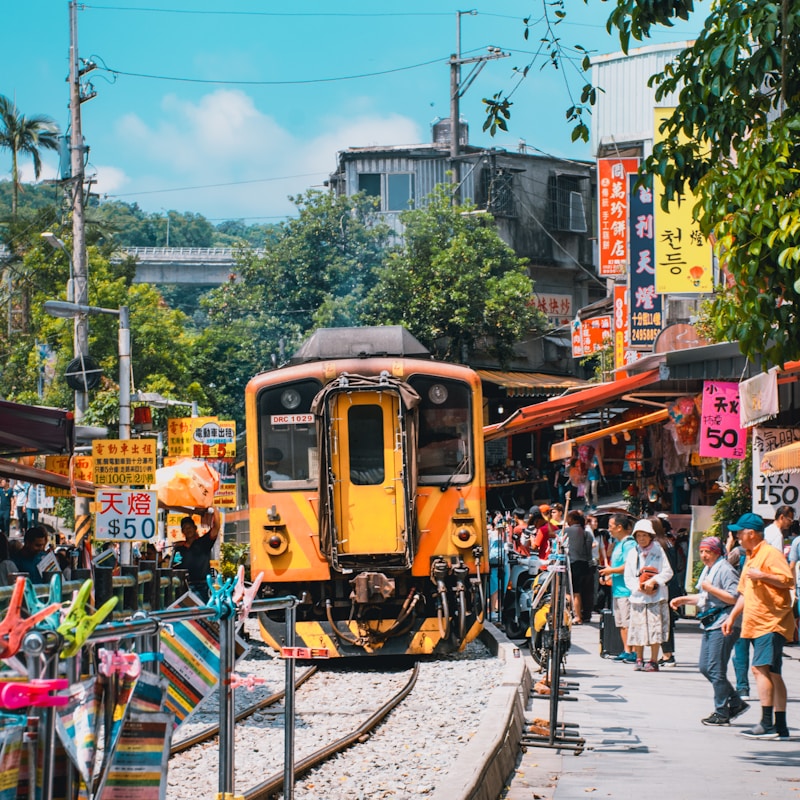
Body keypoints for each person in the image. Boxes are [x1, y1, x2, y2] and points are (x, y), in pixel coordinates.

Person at [722, 512, 794, 739]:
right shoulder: (751, 556)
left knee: (759, 669)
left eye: (739, 533)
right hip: (756, 622)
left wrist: (762, 575)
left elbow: (787, 580)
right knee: (773, 673)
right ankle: (780, 725)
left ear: (750, 533)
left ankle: (766, 723)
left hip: (771, 622)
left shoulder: (770, 554)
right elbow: (744, 592)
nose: (737, 537)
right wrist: (732, 617)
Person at [670, 536, 748, 726]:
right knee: (706, 667)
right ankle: (735, 701)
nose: (704, 555)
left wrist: (710, 588)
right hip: (711, 622)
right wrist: (683, 600)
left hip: (724, 623)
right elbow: (705, 596)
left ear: (717, 552)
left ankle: (722, 711)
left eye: (708, 552)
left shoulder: (725, 569)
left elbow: (734, 597)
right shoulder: (710, 569)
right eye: (702, 551)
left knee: (715, 668)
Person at [624, 518, 673, 672]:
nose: (642, 539)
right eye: (639, 536)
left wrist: (654, 581)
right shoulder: (633, 552)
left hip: (656, 596)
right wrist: (639, 586)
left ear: (651, 536)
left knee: (655, 629)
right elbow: (628, 577)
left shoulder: (659, 550)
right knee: (638, 628)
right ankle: (639, 658)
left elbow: (667, 572)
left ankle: (653, 660)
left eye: (645, 535)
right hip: (638, 597)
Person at [598, 513, 637, 662]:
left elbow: (629, 565)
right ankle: (626, 650)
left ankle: (631, 651)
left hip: (626, 590)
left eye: (611, 526)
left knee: (627, 622)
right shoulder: (619, 544)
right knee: (621, 622)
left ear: (619, 527)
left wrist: (610, 571)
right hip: (618, 588)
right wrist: (609, 576)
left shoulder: (629, 544)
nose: (609, 529)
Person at [173, 509, 221, 601]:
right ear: (182, 531)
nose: (188, 530)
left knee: (202, 612)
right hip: (185, 586)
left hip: (203, 586)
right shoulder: (179, 548)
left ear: (195, 528)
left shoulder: (203, 542)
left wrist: (215, 508)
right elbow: (175, 566)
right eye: (185, 528)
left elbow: (216, 528)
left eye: (190, 527)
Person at [564, 509, 594, 624]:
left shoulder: (567, 531)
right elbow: (588, 552)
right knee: (580, 592)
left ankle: (575, 616)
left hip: (572, 563)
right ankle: (581, 615)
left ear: (572, 519)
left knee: (571, 592)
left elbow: (555, 535)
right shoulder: (586, 533)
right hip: (584, 564)